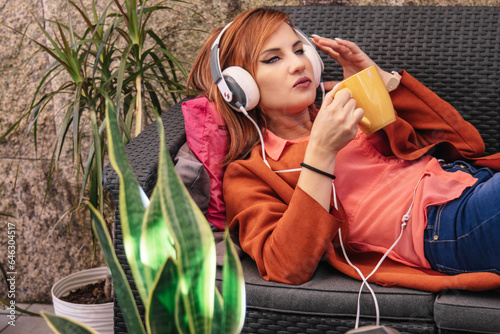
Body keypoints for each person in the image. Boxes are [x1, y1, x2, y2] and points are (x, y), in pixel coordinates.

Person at [186, 7, 500, 292]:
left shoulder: (347, 109)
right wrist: (321, 153)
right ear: (241, 87)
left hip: (476, 185)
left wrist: (378, 80)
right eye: (273, 59)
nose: (298, 64)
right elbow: (286, 265)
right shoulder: (251, 173)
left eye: (299, 50)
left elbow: (466, 145)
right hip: (447, 226)